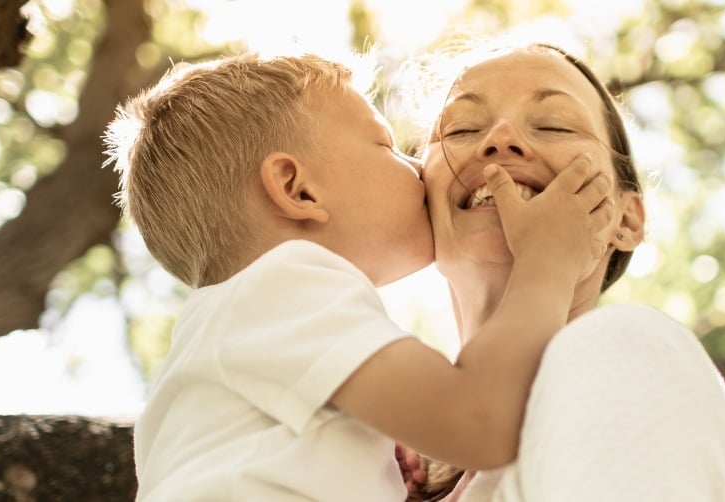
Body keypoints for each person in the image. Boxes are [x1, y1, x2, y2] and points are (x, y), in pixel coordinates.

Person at [104, 52, 620, 500]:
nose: (416, 168)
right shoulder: (285, 285)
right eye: (386, 147)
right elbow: (481, 420)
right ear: (297, 189)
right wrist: (546, 261)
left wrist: (359, 445)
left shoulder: (244, 327)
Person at [399, 42, 725, 501]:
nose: (501, 138)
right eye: (462, 129)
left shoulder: (626, 349)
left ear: (627, 219)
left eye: (555, 125)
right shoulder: (386, 467)